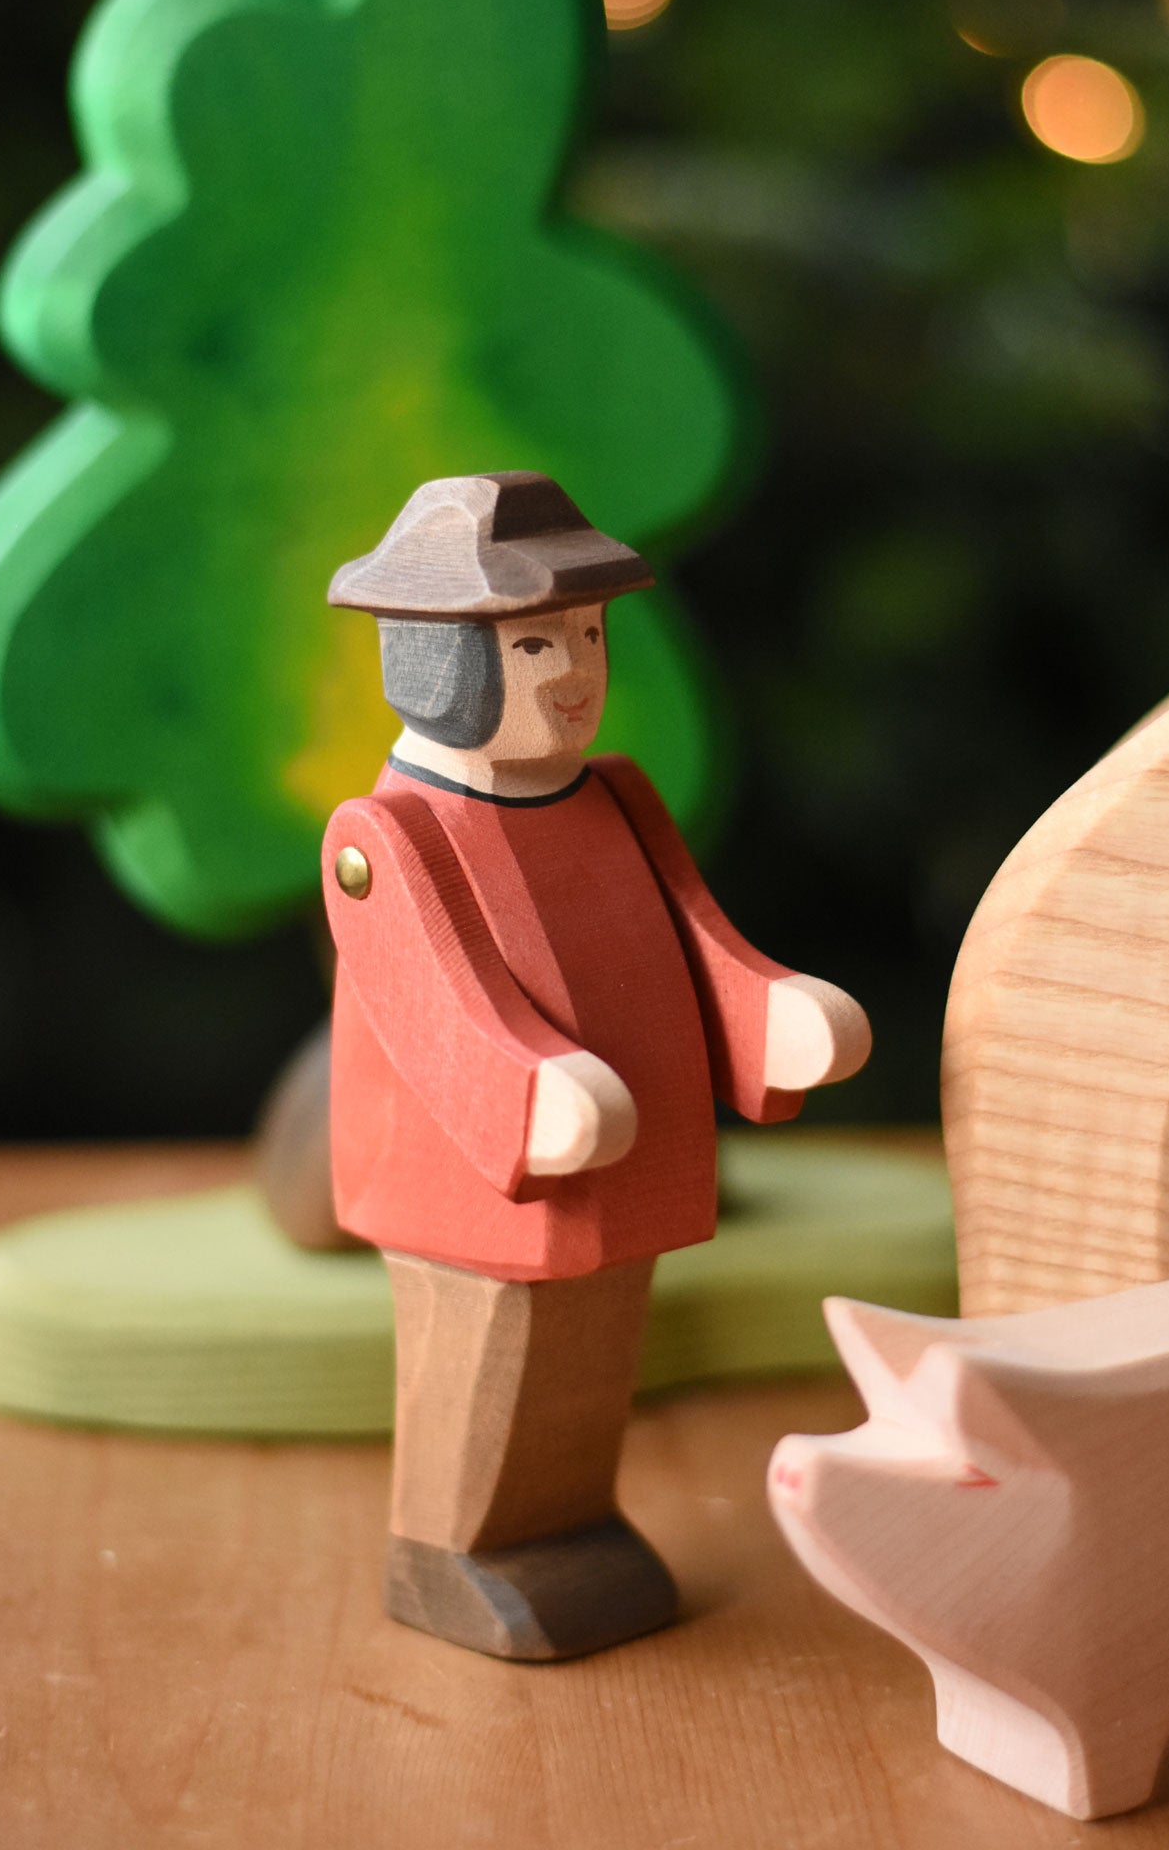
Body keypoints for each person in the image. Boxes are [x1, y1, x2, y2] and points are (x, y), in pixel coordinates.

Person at [322, 471, 870, 1659]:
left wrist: (776, 1012)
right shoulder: (389, 838)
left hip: (625, 1149)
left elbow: (696, 938)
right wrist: (536, 1090)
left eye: (581, 634)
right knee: (488, 1359)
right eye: (529, 647)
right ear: (435, 659)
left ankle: (570, 1524)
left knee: (590, 1356)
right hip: (477, 1174)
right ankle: (447, 1547)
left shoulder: (615, 794)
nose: (571, 673)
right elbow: (438, 1010)